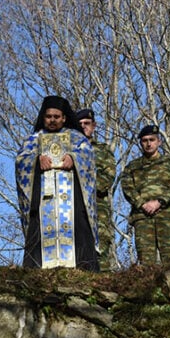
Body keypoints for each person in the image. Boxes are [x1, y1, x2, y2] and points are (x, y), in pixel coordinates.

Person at [15, 95, 99, 272]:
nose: (52, 120)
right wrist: (36, 160)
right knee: (38, 230)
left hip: (72, 201)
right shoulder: (33, 140)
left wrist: (74, 158)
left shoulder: (77, 138)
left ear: (64, 118)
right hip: (43, 200)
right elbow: (21, 161)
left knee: (79, 231)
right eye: (48, 117)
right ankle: (38, 271)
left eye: (56, 117)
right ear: (43, 117)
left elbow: (89, 158)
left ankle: (82, 270)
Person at [120, 124, 170, 269]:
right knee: (146, 261)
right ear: (140, 143)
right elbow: (127, 188)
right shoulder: (133, 166)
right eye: (144, 140)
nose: (148, 144)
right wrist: (142, 204)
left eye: (152, 140)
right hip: (142, 216)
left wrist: (159, 202)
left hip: (166, 215)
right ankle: (149, 291)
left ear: (159, 142)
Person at [76, 108, 117, 271]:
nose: (83, 127)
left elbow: (108, 177)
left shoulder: (103, 150)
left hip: (97, 204)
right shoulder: (70, 150)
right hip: (75, 205)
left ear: (94, 126)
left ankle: (104, 284)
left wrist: (87, 184)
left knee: (101, 244)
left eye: (87, 123)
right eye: (80, 124)